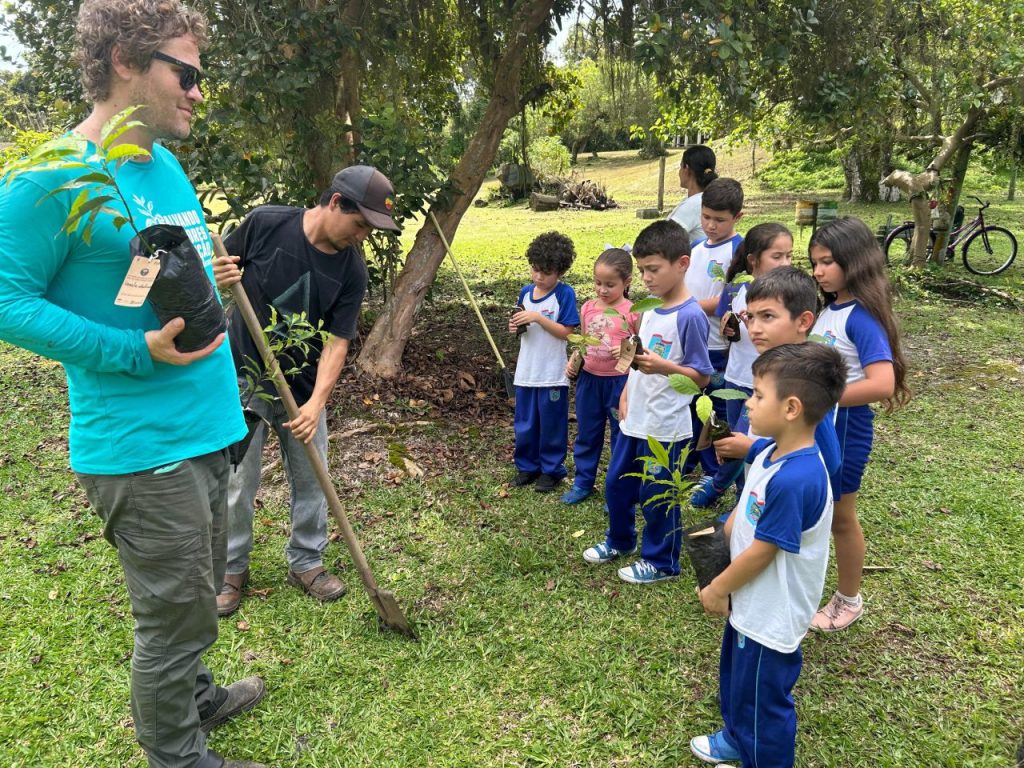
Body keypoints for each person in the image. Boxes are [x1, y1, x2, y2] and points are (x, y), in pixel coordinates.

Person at [0, 1, 266, 766]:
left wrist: (205, 277)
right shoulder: (53, 176)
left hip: (208, 426)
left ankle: (197, 696)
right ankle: (176, 755)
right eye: (184, 73)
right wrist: (134, 350)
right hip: (141, 447)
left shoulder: (158, 162)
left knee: (197, 594)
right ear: (124, 60)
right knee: (172, 618)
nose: (197, 91)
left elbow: (147, 272)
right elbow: (7, 297)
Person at [211, 165, 400, 616]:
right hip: (244, 378)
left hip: (302, 388)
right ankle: (232, 569)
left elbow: (337, 343)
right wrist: (217, 274)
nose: (362, 237)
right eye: (360, 225)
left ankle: (305, 562)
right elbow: (219, 268)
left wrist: (317, 403)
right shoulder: (266, 223)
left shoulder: (353, 270)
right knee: (238, 481)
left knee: (314, 476)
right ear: (336, 202)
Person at [690, 342, 848, 768]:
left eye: (758, 394)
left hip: (771, 613)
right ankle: (737, 739)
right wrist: (718, 537)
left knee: (764, 699)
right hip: (752, 602)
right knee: (739, 682)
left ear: (792, 407)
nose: (749, 401)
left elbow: (764, 552)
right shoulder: (769, 452)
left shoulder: (799, 479)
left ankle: (761, 755)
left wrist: (718, 588)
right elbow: (746, 512)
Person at [582, 220, 713, 584]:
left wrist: (665, 367)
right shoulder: (649, 306)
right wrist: (626, 391)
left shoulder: (690, 316)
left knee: (658, 495)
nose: (646, 278)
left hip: (666, 427)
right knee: (617, 484)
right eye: (641, 271)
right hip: (635, 417)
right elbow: (635, 355)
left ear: (682, 263)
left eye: (653, 270)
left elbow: (702, 377)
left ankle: (662, 562)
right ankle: (620, 540)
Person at [807, 217, 910, 632]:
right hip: (821, 424)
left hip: (845, 427)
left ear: (855, 261)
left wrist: (821, 397)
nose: (818, 271)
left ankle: (848, 600)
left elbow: (882, 383)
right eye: (815, 262)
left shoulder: (861, 318)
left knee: (841, 517)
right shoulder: (830, 309)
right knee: (820, 512)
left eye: (828, 262)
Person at [712, 266, 843, 500]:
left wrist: (751, 450)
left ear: (803, 321)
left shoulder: (807, 379)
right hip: (761, 492)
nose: (754, 328)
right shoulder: (772, 367)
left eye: (767, 316)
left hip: (784, 499)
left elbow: (827, 461)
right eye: (750, 317)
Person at [691, 223, 794, 508]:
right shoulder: (735, 288)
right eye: (777, 256)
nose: (785, 263)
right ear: (753, 260)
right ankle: (738, 493)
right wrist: (730, 331)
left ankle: (720, 487)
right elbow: (728, 325)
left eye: (789, 256)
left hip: (766, 385)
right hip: (735, 377)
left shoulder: (790, 295)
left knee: (744, 441)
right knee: (731, 436)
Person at [561, 247, 638, 505]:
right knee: (587, 432)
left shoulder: (633, 311)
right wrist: (575, 358)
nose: (602, 290)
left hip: (619, 382)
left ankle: (616, 489)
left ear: (627, 282)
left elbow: (639, 347)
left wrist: (627, 349)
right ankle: (583, 482)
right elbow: (583, 341)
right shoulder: (588, 308)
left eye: (609, 284)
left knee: (620, 435)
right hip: (590, 380)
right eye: (597, 283)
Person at [508, 232, 580, 492]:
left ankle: (551, 470)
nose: (539, 277)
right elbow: (521, 323)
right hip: (527, 371)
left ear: (560, 271)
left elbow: (568, 332)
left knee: (551, 423)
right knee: (525, 423)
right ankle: (527, 466)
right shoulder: (526, 293)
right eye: (535, 270)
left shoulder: (564, 294)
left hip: (552, 373)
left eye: (546, 272)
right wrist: (515, 325)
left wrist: (538, 318)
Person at [683, 178, 745, 478]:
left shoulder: (740, 251)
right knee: (691, 404)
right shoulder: (695, 249)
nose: (710, 225)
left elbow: (729, 298)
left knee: (715, 410)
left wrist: (689, 306)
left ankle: (713, 472)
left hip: (718, 346)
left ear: (737, 217)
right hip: (691, 343)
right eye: (706, 217)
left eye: (719, 220)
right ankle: (691, 459)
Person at [667, 144, 718, 245]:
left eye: (680, 167)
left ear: (686, 168)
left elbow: (663, 239)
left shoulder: (694, 204)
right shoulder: (705, 199)